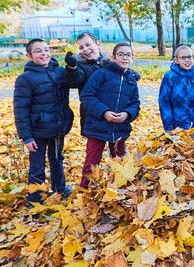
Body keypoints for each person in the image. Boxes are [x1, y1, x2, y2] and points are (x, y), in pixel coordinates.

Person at [13, 38, 74, 204]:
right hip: (37, 131)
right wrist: (26, 137)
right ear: (29, 55)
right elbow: (20, 110)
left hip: (57, 127)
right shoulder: (25, 79)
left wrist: (72, 66)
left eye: (46, 49)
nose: (44, 53)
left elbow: (75, 80)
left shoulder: (60, 72)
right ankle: (35, 198)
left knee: (57, 159)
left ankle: (60, 189)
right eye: (38, 50)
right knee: (37, 166)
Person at [79, 42, 141, 188]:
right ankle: (84, 191)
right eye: (121, 54)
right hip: (97, 128)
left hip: (120, 129)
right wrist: (104, 112)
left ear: (132, 58)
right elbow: (87, 96)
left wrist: (127, 114)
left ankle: (117, 191)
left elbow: (135, 104)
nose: (125, 57)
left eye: (128, 55)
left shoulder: (131, 80)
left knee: (119, 163)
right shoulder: (101, 74)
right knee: (92, 163)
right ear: (113, 57)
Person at [64, 32, 111, 133]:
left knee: (116, 145)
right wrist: (72, 68)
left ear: (98, 44)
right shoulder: (80, 66)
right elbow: (74, 81)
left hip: (112, 112)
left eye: (88, 44)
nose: (85, 49)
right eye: (81, 47)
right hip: (91, 115)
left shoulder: (110, 64)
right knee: (94, 147)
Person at [158, 44, 194, 132]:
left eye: (189, 57)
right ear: (176, 60)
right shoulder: (170, 77)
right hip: (177, 125)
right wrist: (169, 126)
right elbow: (164, 103)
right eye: (183, 57)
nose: (187, 60)